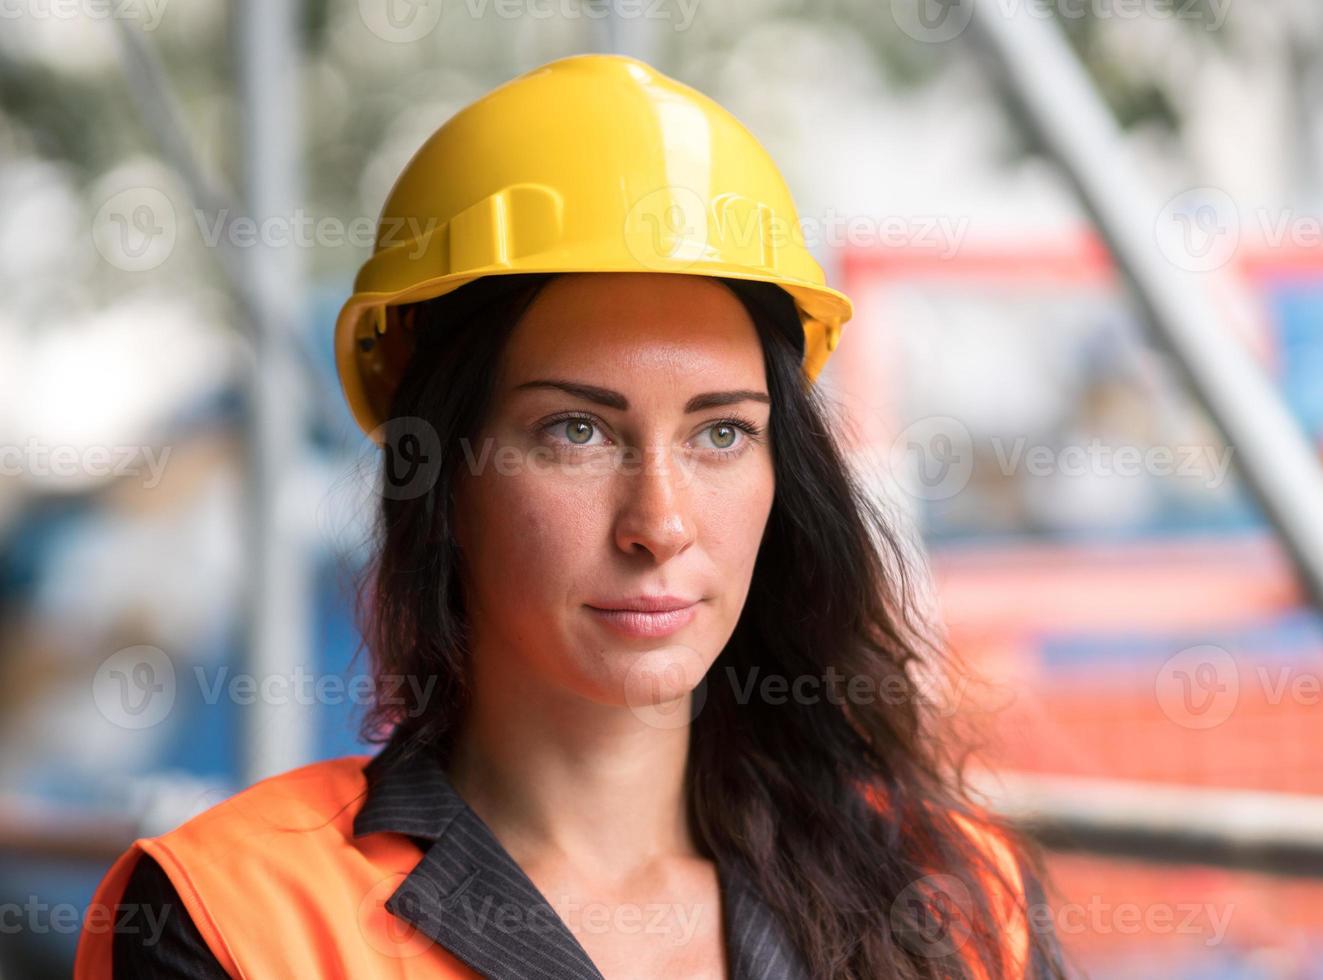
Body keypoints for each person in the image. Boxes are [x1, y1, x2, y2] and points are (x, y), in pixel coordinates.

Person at [75, 53, 1067, 979]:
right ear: (442, 475)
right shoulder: (240, 923)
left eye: (720, 433)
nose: (660, 523)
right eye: (576, 432)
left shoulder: (954, 900)